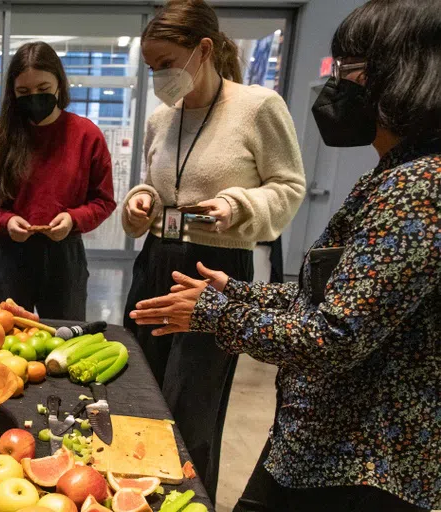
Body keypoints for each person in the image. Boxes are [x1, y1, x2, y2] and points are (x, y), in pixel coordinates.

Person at [130, 0, 441, 509]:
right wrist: (240, 294)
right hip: (321, 444)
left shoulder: (417, 187)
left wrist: (216, 305)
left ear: (404, 74)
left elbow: (335, 335)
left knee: (192, 410)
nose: (335, 84)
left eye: (348, 70)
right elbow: (328, 299)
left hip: (361, 461)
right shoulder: (395, 175)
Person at [119, 0, 305, 500]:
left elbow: (288, 186)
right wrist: (141, 201)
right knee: (140, 387)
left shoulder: (258, 107)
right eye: (151, 67)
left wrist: (236, 203)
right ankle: (135, 495)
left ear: (203, 49)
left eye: (165, 64)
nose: (158, 75)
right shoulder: (163, 118)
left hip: (214, 269)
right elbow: (156, 185)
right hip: (156, 260)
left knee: (192, 402)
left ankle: (186, 500)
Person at [0, 42, 115, 321]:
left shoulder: (86, 135)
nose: (34, 98)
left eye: (43, 89)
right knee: (6, 340)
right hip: (10, 256)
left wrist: (73, 219)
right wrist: (6, 222)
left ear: (59, 86)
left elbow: (103, 200)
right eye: (23, 92)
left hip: (64, 257)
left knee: (65, 338)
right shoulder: (2, 140)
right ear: (12, 94)